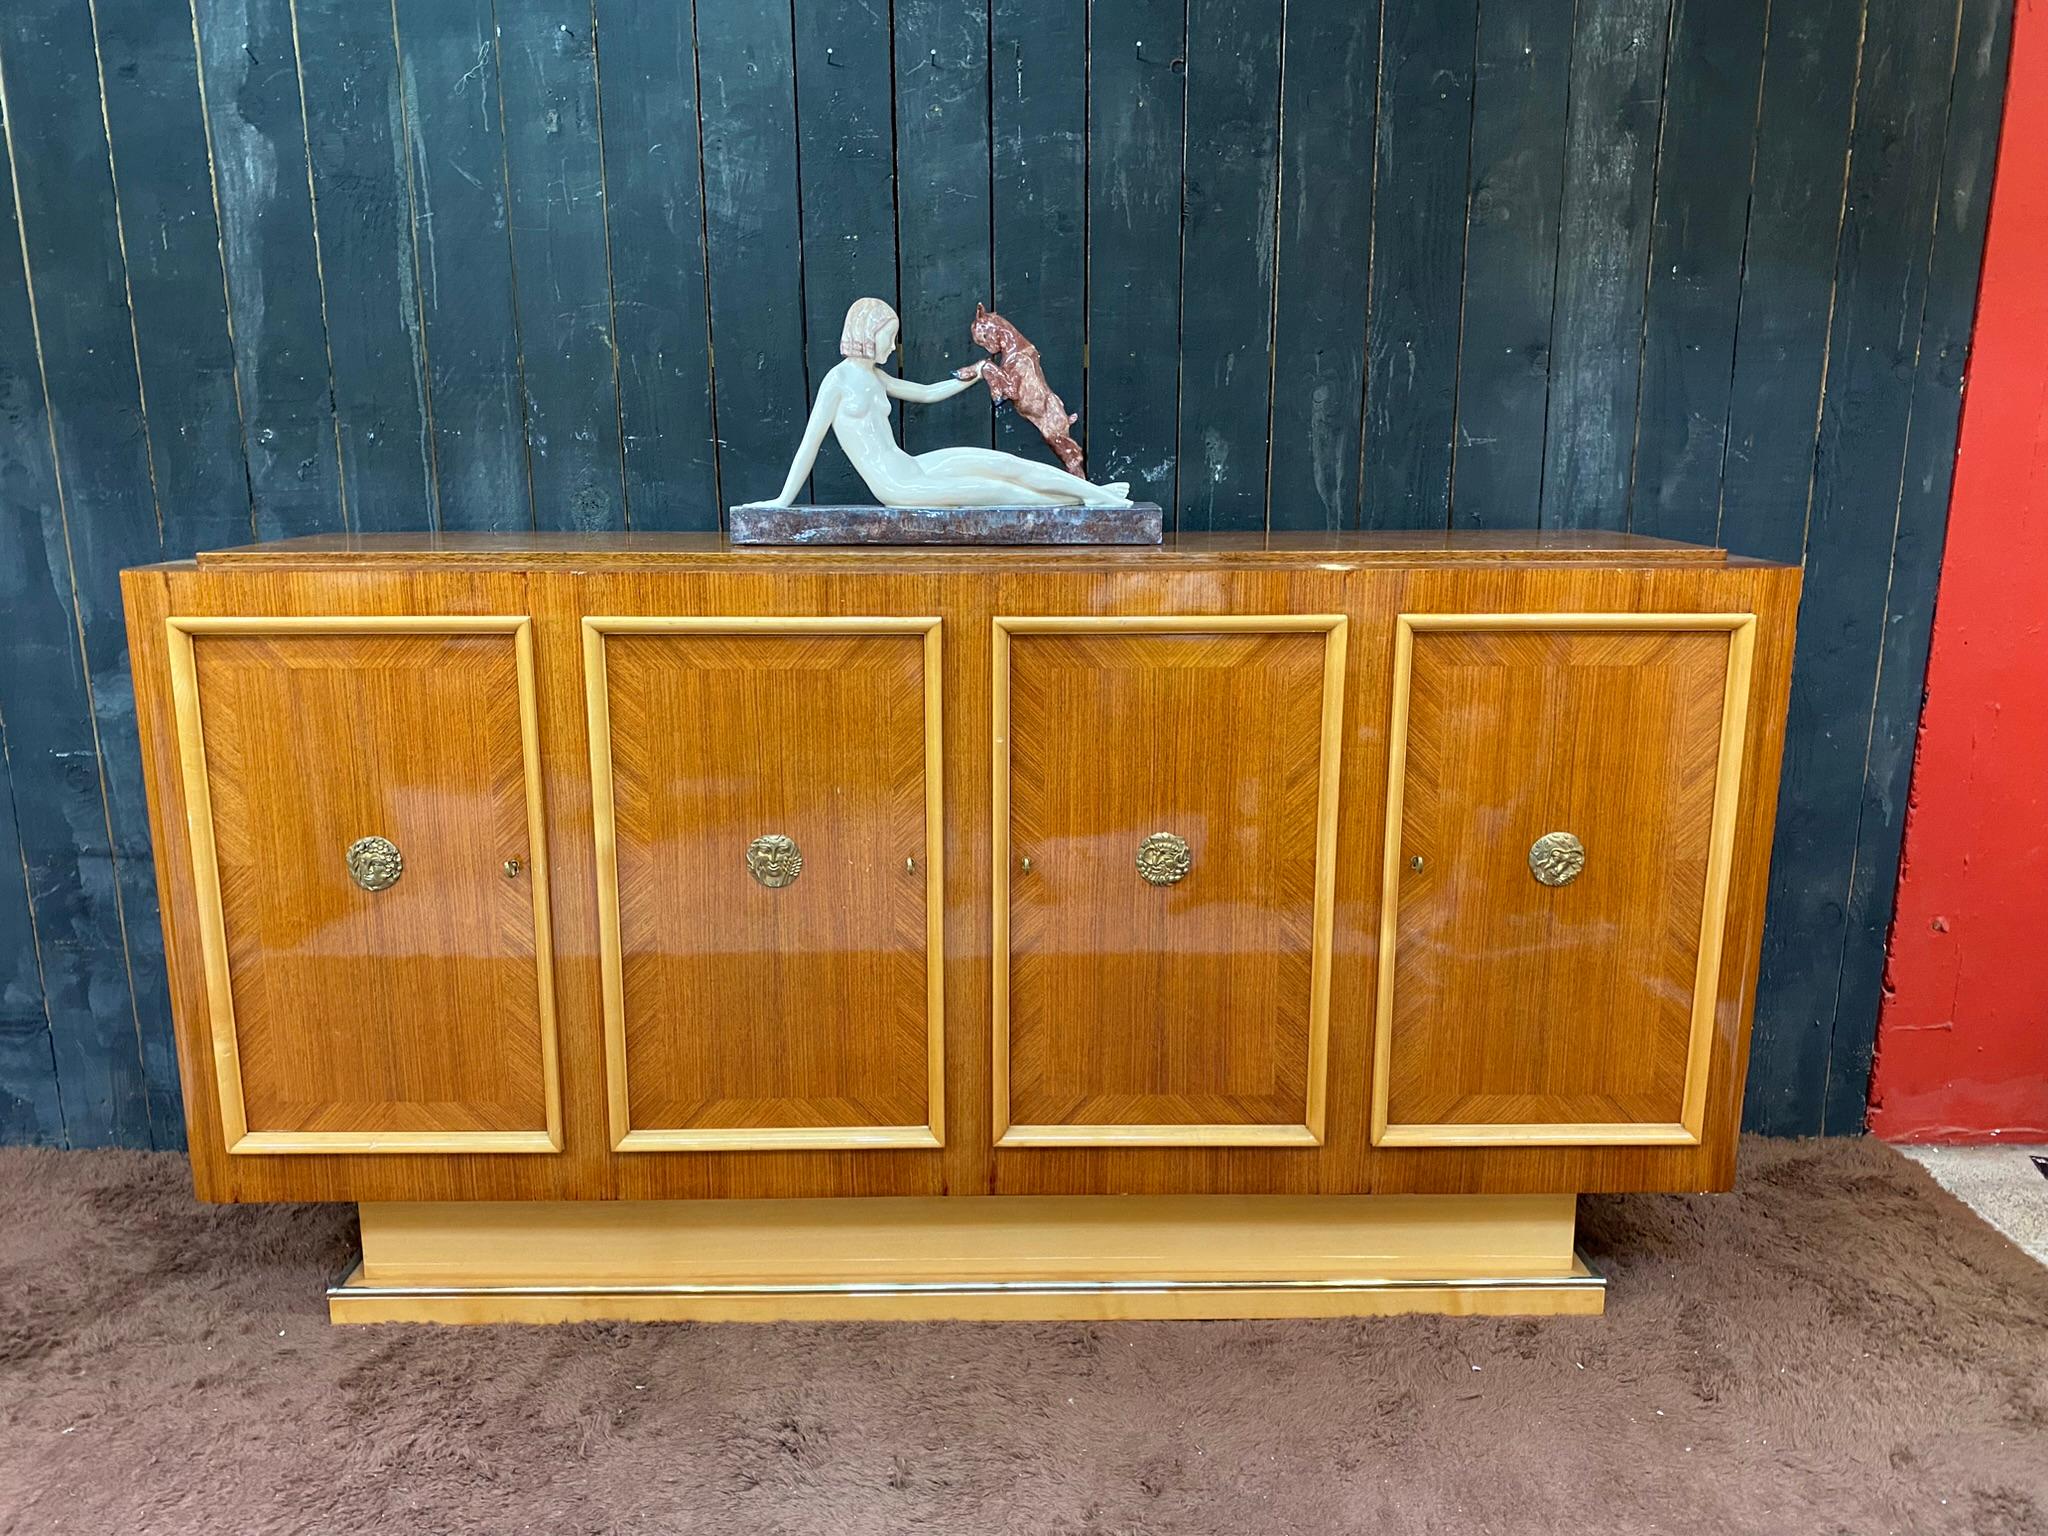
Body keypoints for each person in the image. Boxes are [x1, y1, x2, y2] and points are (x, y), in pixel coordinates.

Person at [741, 297, 1133, 509]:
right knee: (997, 491)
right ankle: (1091, 501)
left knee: (1005, 465)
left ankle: (1098, 493)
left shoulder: (873, 376)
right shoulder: (837, 382)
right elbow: (808, 446)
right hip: (896, 486)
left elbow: (926, 393)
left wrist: (976, 373)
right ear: (866, 334)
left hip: (912, 468)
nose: (892, 347)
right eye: (888, 338)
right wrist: (780, 501)